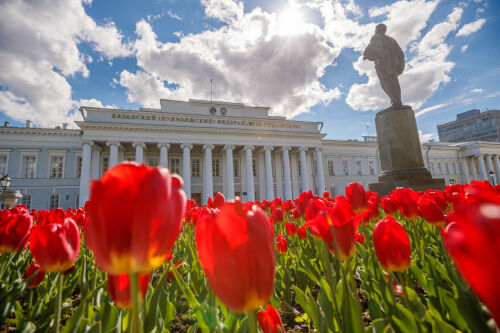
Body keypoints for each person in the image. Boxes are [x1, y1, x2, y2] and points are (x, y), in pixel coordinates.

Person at [363, 23, 405, 109]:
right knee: (394, 83)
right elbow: (401, 53)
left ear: (378, 30)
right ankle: (398, 102)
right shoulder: (392, 40)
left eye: (375, 29)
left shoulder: (376, 37)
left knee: (386, 83)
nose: (374, 31)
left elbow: (376, 49)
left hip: (382, 64)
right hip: (393, 65)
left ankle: (395, 103)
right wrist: (400, 65)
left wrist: (367, 53)